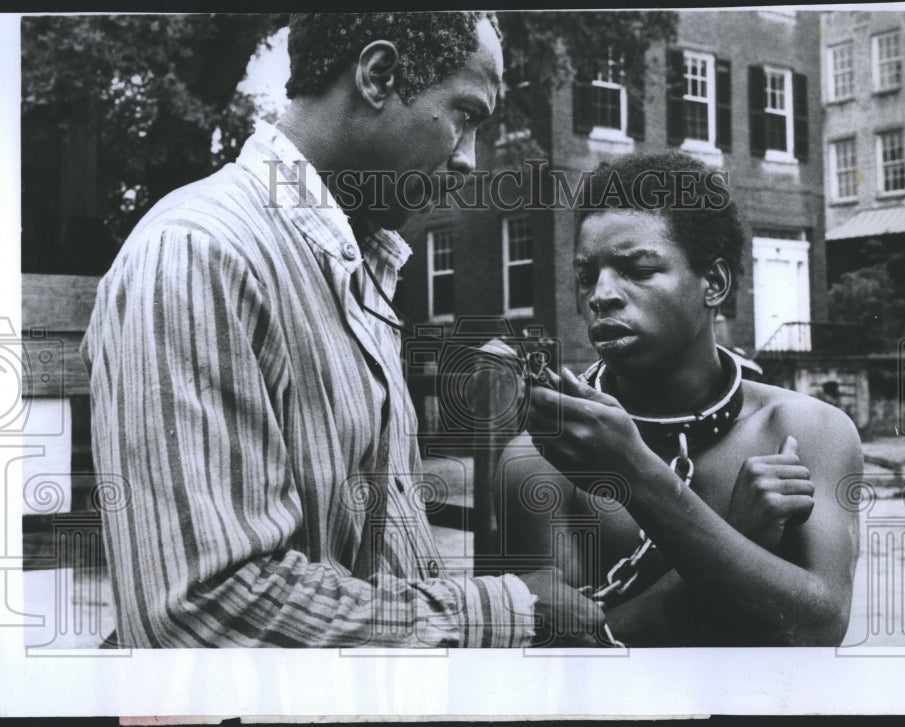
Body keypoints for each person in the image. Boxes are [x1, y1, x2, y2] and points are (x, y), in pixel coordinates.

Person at [82, 12, 602, 648]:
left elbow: (381, 559)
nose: (468, 160)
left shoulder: (357, 262)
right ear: (378, 76)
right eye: (465, 114)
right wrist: (510, 614)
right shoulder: (197, 253)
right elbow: (206, 608)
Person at [500, 152, 861, 646]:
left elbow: (820, 628)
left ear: (713, 283)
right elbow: (568, 660)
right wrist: (730, 533)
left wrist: (634, 476)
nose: (600, 295)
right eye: (587, 276)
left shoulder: (806, 430)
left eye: (638, 270)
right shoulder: (540, 459)